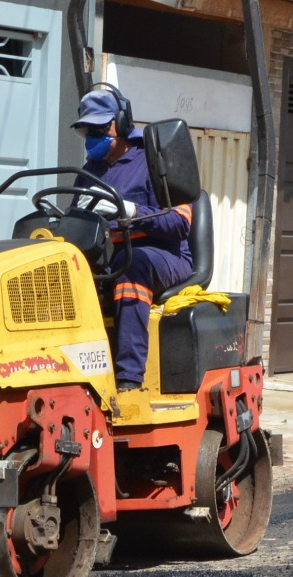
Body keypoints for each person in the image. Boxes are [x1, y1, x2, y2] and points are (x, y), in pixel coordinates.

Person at [71, 86, 193, 392]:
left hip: (163, 257)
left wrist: (131, 210)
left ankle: (128, 379)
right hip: (111, 257)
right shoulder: (89, 172)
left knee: (131, 264)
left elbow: (180, 223)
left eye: (100, 128)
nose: (92, 137)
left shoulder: (154, 161)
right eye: (87, 131)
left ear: (122, 123)